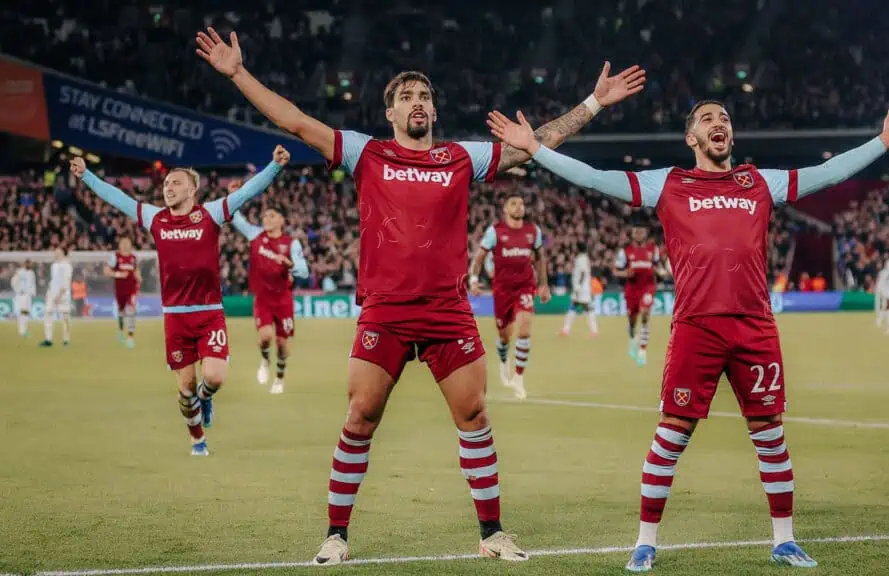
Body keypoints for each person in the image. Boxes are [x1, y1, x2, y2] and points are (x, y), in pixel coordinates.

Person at [195, 26, 644, 564]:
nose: (417, 103)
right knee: (360, 415)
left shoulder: (460, 156)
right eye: (406, 96)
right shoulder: (368, 152)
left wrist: (594, 101)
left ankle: (492, 532)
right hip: (384, 310)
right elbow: (295, 121)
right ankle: (336, 535)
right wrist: (238, 73)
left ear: (433, 110)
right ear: (390, 113)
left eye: (424, 96)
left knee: (474, 415)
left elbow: (532, 145)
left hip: (448, 311)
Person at [488, 99, 889, 571]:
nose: (718, 123)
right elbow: (596, 178)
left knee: (769, 433)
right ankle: (645, 542)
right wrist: (535, 148)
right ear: (691, 138)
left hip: (754, 327)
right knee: (672, 435)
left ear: (731, 136)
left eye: (725, 119)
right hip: (696, 327)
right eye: (706, 119)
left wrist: (883, 141)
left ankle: (784, 540)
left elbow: (829, 172)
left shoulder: (760, 182)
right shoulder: (668, 183)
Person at [70, 146, 290, 456]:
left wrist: (274, 167)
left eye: (175, 183)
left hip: (210, 312)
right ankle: (197, 439)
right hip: (175, 316)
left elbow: (247, 193)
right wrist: (86, 176)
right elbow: (118, 199)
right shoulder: (155, 218)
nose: (168, 188)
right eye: (165, 184)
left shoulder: (211, 213)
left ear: (192, 189)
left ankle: (207, 397)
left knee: (213, 378)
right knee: (185, 389)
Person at [470, 194, 550, 399]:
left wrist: (543, 284)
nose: (519, 206)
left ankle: (518, 379)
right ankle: (504, 361)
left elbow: (540, 258)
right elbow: (479, 258)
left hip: (525, 287)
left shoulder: (533, 231)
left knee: (524, 328)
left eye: (522, 203)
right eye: (514, 203)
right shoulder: (495, 232)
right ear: (505, 209)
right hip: (503, 290)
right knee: (504, 336)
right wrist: (473, 279)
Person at [231, 202, 309, 394]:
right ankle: (265, 360)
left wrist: (290, 264)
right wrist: (233, 197)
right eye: (265, 216)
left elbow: (304, 272)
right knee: (265, 337)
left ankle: (279, 378)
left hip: (283, 301)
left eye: (272, 216)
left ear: (282, 220)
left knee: (282, 345)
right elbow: (235, 218)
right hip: (263, 299)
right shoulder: (255, 235)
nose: (266, 219)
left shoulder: (292, 243)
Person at [615, 221, 662, 365]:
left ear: (646, 233)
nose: (639, 234)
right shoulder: (625, 251)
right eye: (637, 232)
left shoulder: (653, 249)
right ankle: (631, 335)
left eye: (642, 232)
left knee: (645, 312)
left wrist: (662, 271)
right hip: (632, 289)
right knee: (632, 319)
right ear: (633, 234)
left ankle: (642, 350)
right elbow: (616, 270)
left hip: (648, 287)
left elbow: (658, 266)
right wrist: (625, 273)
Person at [104, 237, 142, 348]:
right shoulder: (115, 257)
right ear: (119, 245)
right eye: (123, 243)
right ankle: (120, 330)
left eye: (128, 243)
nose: (125, 245)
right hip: (120, 289)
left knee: (131, 311)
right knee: (121, 311)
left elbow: (136, 270)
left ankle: (130, 337)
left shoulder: (133, 258)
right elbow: (106, 271)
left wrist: (138, 278)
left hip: (132, 290)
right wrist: (118, 275)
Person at [560, 242, 599, 337]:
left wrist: (578, 287)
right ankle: (566, 329)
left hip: (581, 288)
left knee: (582, 307)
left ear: (578, 249)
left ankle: (593, 331)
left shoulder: (581, 259)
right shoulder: (584, 258)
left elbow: (582, 273)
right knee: (577, 306)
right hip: (584, 287)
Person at [40, 247, 73, 348]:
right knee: (48, 314)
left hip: (63, 295)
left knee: (65, 317)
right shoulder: (54, 265)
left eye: (58, 252)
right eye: (55, 252)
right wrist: (49, 293)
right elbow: (54, 281)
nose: (55, 253)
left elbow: (67, 281)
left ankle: (66, 340)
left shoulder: (67, 265)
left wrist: (60, 295)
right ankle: (48, 339)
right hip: (52, 294)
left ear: (63, 253)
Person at [11, 260, 36, 338]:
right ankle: (22, 331)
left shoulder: (31, 273)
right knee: (23, 312)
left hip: (28, 295)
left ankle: (24, 330)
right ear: (25, 264)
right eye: (29, 263)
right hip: (22, 295)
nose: (30, 265)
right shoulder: (19, 272)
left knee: (26, 313)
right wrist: (17, 290)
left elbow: (32, 283)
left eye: (31, 264)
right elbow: (13, 281)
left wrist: (33, 292)